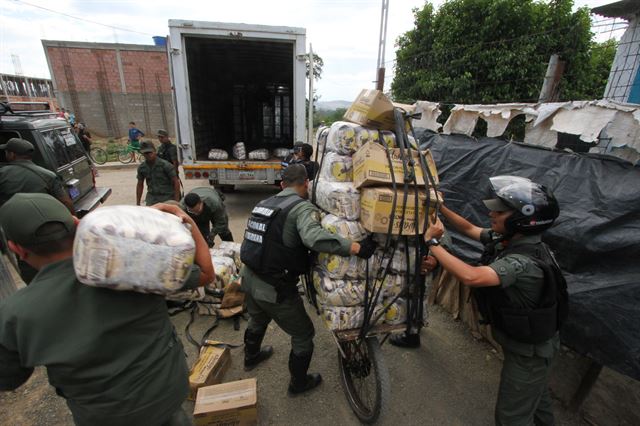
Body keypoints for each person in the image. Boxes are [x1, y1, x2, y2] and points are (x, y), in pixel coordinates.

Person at [0, 193, 214, 426]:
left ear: (16, 250)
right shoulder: (136, 263)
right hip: (166, 399)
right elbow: (205, 273)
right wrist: (185, 219)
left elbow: (9, 379)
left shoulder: (15, 313)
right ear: (77, 223)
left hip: (103, 417)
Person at [424, 176, 564, 425]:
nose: (492, 214)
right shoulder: (511, 240)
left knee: (511, 417)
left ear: (522, 219)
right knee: (536, 402)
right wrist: (440, 208)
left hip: (529, 355)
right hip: (531, 347)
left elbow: (472, 276)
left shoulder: (522, 263)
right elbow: (468, 229)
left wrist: (432, 243)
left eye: (500, 211)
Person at [239, 164, 377, 395]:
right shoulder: (301, 208)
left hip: (248, 278)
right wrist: (354, 246)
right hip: (274, 287)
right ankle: (298, 384)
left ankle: (251, 357)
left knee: (258, 318)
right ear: (306, 184)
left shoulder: (264, 204)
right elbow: (313, 237)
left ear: (282, 185)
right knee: (303, 334)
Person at [136, 141, 180, 206]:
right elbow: (140, 184)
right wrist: (138, 203)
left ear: (155, 151)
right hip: (152, 199)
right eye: (146, 153)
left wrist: (176, 202)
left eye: (150, 152)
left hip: (167, 197)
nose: (148, 155)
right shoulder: (142, 168)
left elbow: (176, 182)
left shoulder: (165, 165)